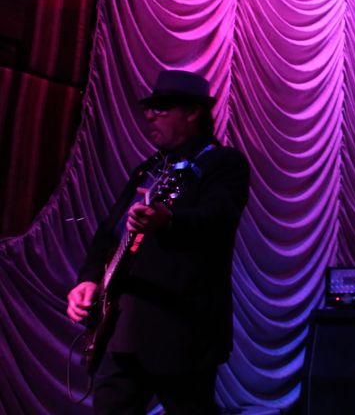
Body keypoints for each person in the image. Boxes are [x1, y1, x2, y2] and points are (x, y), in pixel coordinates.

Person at [66, 70, 250, 415]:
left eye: (162, 107)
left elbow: (218, 219)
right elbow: (108, 232)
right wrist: (88, 279)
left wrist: (169, 221)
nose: (150, 115)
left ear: (192, 111)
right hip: (122, 327)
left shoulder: (223, 163)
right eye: (149, 108)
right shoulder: (148, 169)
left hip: (182, 329)